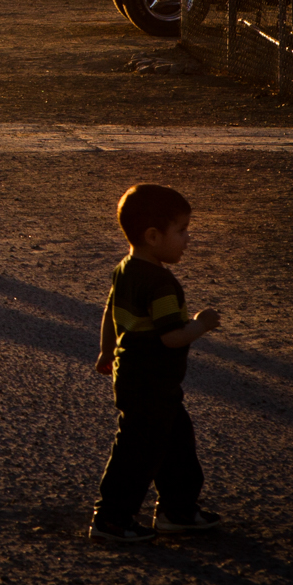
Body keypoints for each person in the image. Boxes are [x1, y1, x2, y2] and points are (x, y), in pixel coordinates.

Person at [91, 183, 225, 542]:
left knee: (175, 443)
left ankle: (176, 509)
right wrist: (201, 324)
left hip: (137, 376)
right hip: (152, 380)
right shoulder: (162, 284)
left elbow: (110, 312)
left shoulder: (125, 269)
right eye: (181, 231)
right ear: (153, 236)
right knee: (137, 453)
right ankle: (113, 518)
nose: (188, 238)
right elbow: (171, 336)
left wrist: (106, 351)